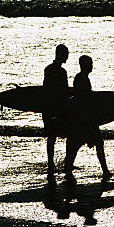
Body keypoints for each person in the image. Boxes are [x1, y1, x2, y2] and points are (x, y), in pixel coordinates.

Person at [64, 55, 111, 180]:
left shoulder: (81, 78)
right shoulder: (81, 79)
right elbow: (83, 99)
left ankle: (68, 168)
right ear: (84, 65)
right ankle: (105, 171)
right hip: (84, 118)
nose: (92, 66)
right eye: (90, 64)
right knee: (83, 144)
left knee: (75, 145)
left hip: (82, 118)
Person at [43, 44, 70, 175]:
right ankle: (65, 163)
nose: (67, 56)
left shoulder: (48, 69)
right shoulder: (61, 72)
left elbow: (45, 90)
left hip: (48, 107)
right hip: (57, 108)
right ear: (61, 55)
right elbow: (64, 92)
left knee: (51, 137)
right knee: (66, 135)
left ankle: (51, 164)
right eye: (66, 54)